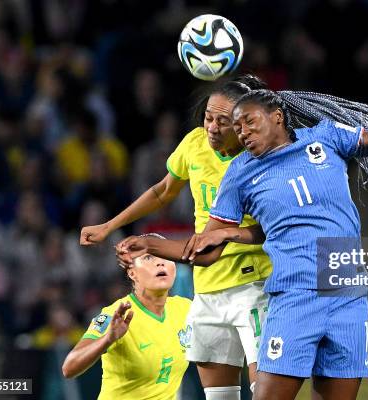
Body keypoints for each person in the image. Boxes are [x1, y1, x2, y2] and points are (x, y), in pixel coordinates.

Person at [117, 89, 368, 400]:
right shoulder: (240, 174)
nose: (241, 132)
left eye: (249, 122)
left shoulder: (325, 137)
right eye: (237, 126)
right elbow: (206, 251)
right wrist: (150, 243)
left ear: (277, 116)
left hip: (347, 293)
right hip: (295, 295)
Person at [80, 75, 272, 399]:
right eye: (208, 117)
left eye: (222, 121)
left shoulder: (261, 158)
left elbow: (272, 226)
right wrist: (109, 226)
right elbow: (162, 192)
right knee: (220, 397)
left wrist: (159, 243)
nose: (211, 127)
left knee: (266, 392)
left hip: (254, 286)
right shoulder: (194, 144)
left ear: (242, 124)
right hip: (208, 289)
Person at [62, 234, 191, 400]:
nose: (160, 262)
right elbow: (69, 368)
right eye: (148, 257)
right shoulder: (114, 315)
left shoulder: (185, 309)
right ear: (132, 273)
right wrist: (107, 339)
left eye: (165, 256)